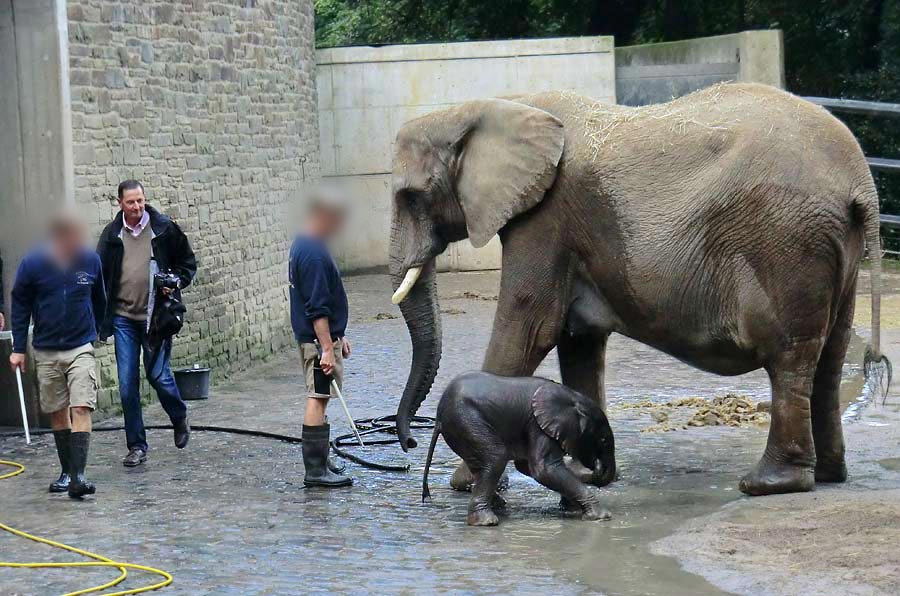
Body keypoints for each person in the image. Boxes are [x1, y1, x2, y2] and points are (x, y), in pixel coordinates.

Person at [97, 180, 196, 467]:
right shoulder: (110, 236)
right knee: (127, 385)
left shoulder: (164, 229)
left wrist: (175, 281)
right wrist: (99, 320)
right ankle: (137, 446)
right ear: (120, 204)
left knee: (158, 377)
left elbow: (187, 264)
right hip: (124, 319)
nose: (137, 206)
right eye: (131, 202)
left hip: (156, 319)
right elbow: (100, 278)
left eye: (141, 201)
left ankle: (178, 416)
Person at [9, 210, 106, 498]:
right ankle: (66, 471)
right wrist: (18, 348)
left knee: (82, 407)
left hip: (80, 347)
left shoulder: (90, 260)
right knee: (58, 410)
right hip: (47, 348)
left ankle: (78, 476)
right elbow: (21, 305)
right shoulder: (33, 264)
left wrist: (97, 331)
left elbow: (100, 299)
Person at [289, 188, 353, 488]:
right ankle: (315, 470)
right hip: (317, 343)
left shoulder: (307, 244)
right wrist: (327, 347)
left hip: (323, 339)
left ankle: (321, 459)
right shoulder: (312, 253)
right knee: (317, 397)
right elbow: (316, 307)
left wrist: (339, 336)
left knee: (323, 397)